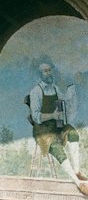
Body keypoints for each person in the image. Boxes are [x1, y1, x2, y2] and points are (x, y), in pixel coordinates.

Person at [26, 58, 85, 187]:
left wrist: (71, 89)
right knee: (57, 148)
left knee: (73, 134)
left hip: (57, 126)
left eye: (49, 70)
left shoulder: (55, 89)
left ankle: (77, 171)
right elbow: (36, 116)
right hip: (42, 129)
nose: (48, 73)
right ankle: (77, 182)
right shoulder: (36, 92)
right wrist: (53, 115)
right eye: (45, 71)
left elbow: (64, 100)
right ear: (40, 74)